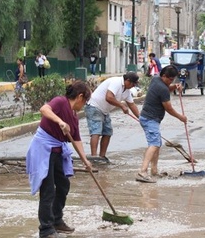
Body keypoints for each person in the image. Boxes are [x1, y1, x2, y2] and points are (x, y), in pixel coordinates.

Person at [25, 81, 93, 238]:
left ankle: (57, 220)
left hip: (57, 152)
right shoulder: (60, 102)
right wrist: (60, 121)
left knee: (63, 185)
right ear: (80, 97)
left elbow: (76, 140)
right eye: (85, 101)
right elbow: (44, 109)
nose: (84, 105)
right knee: (48, 190)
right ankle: (46, 229)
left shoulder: (74, 117)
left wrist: (85, 160)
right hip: (43, 150)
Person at [136, 65, 186, 183]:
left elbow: (166, 87)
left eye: (173, 80)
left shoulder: (156, 79)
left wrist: (174, 86)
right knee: (154, 144)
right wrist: (181, 117)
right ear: (164, 76)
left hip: (148, 117)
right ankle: (142, 172)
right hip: (150, 119)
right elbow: (168, 108)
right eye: (170, 79)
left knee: (157, 144)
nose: (171, 82)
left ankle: (154, 171)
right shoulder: (162, 88)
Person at [84, 72, 141, 162]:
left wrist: (140, 119)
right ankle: (94, 157)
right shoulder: (116, 82)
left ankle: (102, 157)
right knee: (96, 132)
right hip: (94, 107)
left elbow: (132, 105)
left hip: (105, 111)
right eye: (133, 84)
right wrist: (121, 106)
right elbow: (109, 97)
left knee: (108, 132)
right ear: (128, 80)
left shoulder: (127, 91)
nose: (133, 86)